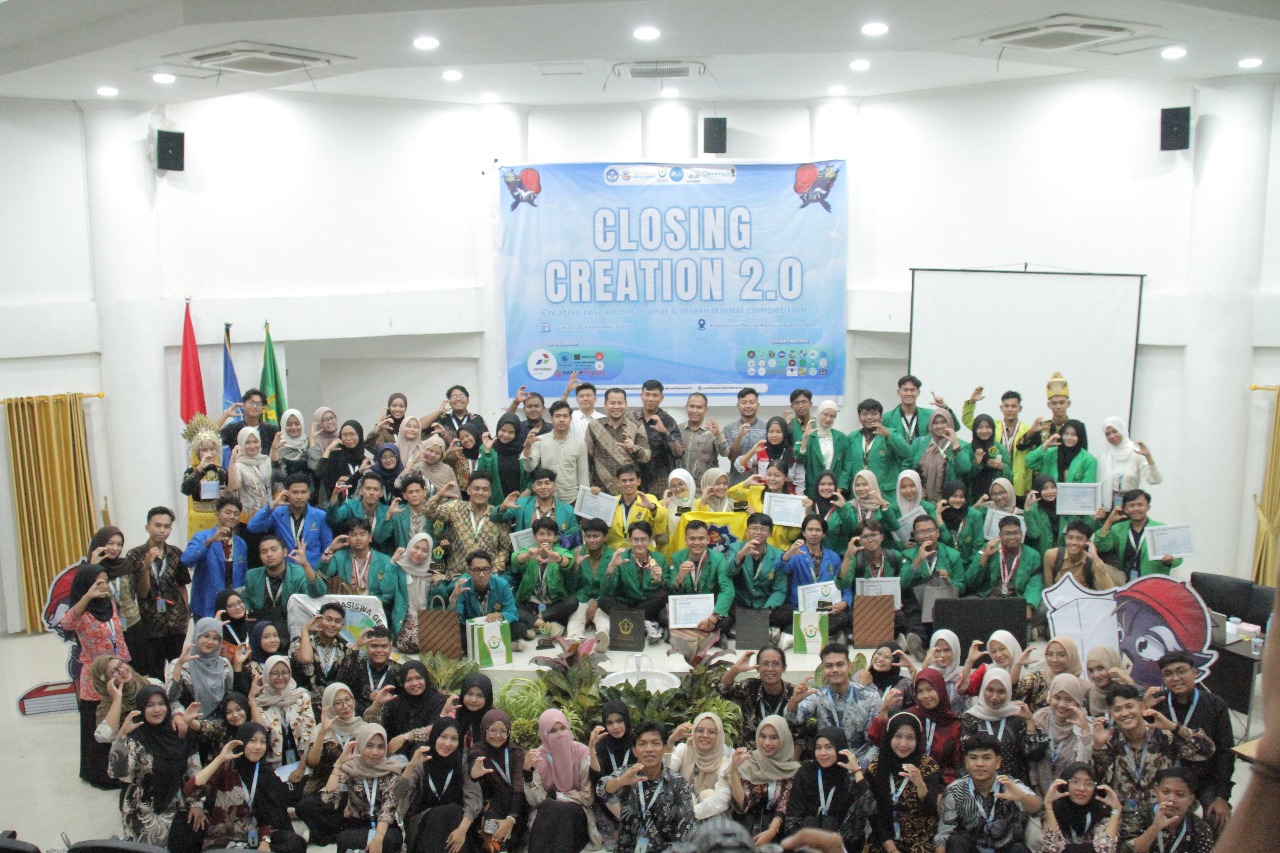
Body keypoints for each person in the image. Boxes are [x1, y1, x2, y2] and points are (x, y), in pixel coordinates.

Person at [1090, 684, 1214, 846]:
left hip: (1164, 815)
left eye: (1129, 706)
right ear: (1111, 713)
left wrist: (1174, 727)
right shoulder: (1109, 739)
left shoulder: (1164, 736)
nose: (1125, 713)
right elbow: (1099, 781)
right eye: (1118, 709)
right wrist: (1097, 748)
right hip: (1123, 820)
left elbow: (1206, 751)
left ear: (1142, 707)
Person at [176, 722, 307, 853]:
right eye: (252, 741)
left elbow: (272, 818)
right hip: (223, 841)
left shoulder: (265, 773)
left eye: (262, 742)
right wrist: (219, 759)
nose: (258, 747)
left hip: (255, 839)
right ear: (242, 742)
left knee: (294, 843)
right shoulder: (226, 767)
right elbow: (190, 790)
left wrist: (265, 841)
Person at [107, 684, 203, 847]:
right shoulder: (135, 735)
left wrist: (197, 804)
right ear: (141, 708)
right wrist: (122, 736)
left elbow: (194, 771)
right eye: (150, 705)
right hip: (142, 809)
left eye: (161, 704)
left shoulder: (180, 732)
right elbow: (117, 772)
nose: (157, 710)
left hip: (178, 805)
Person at [64, 562, 131, 789]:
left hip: (116, 669)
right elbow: (67, 623)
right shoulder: (82, 612)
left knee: (115, 718)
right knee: (97, 721)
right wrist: (87, 597)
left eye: (105, 581)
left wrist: (125, 666)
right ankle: (98, 773)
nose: (103, 586)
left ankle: (118, 768)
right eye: (97, 583)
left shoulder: (109, 605)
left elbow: (118, 638)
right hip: (94, 675)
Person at [1155, 651, 1234, 833]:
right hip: (1165, 778)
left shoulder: (1215, 705)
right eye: (1168, 674)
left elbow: (1226, 752)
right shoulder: (1157, 703)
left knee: (1218, 819)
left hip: (1204, 779)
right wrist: (1143, 705)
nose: (1175, 678)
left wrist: (1222, 796)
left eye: (1181, 671)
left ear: (1195, 672)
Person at [934, 732, 1043, 853]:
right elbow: (943, 834)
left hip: (1006, 848)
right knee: (956, 841)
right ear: (966, 762)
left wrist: (1022, 797)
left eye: (986, 758)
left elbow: (1038, 808)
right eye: (973, 758)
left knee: (1019, 850)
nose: (979, 764)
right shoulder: (955, 790)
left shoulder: (1009, 784)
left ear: (998, 762)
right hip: (973, 848)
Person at [598, 721, 695, 853]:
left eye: (655, 743)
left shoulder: (678, 783)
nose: (649, 749)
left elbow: (685, 828)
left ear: (665, 748)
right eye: (642, 744)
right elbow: (601, 788)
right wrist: (620, 782)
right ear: (634, 750)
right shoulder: (626, 774)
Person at [297, 683, 369, 846]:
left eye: (348, 700)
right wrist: (323, 732)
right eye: (338, 703)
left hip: (356, 786)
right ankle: (335, 834)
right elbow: (312, 762)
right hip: (327, 786)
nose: (345, 706)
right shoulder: (321, 729)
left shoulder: (364, 728)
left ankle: (340, 833)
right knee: (304, 807)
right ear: (329, 706)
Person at [787, 643, 881, 765]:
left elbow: (875, 741)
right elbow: (794, 719)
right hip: (825, 764)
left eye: (840, 664)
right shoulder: (817, 696)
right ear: (823, 669)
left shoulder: (870, 697)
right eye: (829, 666)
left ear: (850, 666)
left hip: (859, 763)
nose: (835, 670)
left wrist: (861, 769)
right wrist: (794, 701)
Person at [866, 668, 964, 785]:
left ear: (940, 689)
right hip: (904, 782)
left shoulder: (953, 724)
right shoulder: (910, 716)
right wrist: (883, 712)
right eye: (920, 691)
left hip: (940, 784)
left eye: (930, 689)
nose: (925, 695)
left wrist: (939, 785)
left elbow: (956, 764)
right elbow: (883, 741)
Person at [782, 727, 874, 850]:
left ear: (839, 748)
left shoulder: (849, 777)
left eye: (829, 747)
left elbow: (870, 809)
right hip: (807, 843)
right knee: (810, 821)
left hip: (841, 843)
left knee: (830, 823)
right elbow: (792, 818)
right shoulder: (806, 773)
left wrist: (857, 772)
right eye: (818, 748)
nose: (822, 753)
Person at [319, 723, 406, 853]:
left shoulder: (392, 770)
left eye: (380, 747)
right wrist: (339, 764)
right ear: (360, 745)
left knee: (390, 840)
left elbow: (388, 809)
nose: (375, 752)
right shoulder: (350, 768)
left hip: (385, 826)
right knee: (345, 840)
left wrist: (378, 838)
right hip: (357, 824)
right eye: (369, 746)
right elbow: (328, 798)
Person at [865, 712, 943, 853]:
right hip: (885, 843)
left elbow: (931, 810)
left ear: (918, 739)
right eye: (898, 736)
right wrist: (892, 850)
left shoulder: (928, 766)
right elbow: (875, 816)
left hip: (921, 841)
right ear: (889, 736)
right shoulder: (875, 768)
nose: (903, 744)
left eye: (910, 738)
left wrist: (920, 784)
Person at [527, 709, 599, 852]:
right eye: (553, 731)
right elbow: (536, 800)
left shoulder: (582, 752)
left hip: (576, 815)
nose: (559, 734)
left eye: (562, 728)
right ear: (543, 734)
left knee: (561, 810)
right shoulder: (537, 758)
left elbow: (587, 798)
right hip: (547, 815)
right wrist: (527, 774)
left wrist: (555, 796)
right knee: (551, 809)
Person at [319, 518, 408, 634]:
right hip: (346, 609)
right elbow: (322, 575)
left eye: (362, 534)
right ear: (347, 539)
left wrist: (371, 604)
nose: (358, 538)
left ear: (370, 537)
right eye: (353, 535)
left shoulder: (385, 560)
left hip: (374, 610)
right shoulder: (340, 557)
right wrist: (330, 550)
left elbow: (389, 594)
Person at [960, 669, 1047, 785]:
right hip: (981, 785)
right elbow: (966, 757)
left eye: (1001, 692)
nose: (995, 697)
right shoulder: (971, 717)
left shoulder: (1017, 716)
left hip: (1014, 786)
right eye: (990, 690)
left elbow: (1033, 754)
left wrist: (1030, 721)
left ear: (1009, 692)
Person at [729, 715, 800, 845]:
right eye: (763, 736)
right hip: (747, 827)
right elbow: (742, 806)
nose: (767, 743)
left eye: (774, 737)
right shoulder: (749, 762)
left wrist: (771, 831)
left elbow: (783, 805)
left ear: (784, 739)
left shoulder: (791, 770)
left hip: (776, 830)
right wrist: (733, 771)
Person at [424, 473, 512, 577]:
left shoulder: (498, 514)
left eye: (485, 489)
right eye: (476, 489)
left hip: (487, 577)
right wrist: (439, 495)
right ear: (468, 490)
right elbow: (429, 513)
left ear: (490, 492)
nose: (480, 493)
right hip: (457, 576)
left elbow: (504, 549)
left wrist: (495, 571)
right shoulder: (455, 508)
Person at [781, 515, 852, 639]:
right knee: (784, 613)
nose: (814, 533)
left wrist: (845, 602)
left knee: (843, 617)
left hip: (824, 606)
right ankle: (824, 633)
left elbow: (844, 583)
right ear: (803, 532)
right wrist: (788, 554)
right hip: (800, 605)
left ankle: (792, 633)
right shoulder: (795, 553)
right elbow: (780, 568)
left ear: (824, 534)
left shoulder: (833, 556)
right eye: (810, 529)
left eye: (818, 530)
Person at [600, 520, 669, 641]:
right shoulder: (620, 557)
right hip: (626, 602)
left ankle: (632, 621)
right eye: (635, 540)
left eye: (643, 539)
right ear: (629, 540)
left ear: (650, 540)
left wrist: (659, 580)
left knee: (663, 594)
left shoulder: (659, 558)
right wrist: (611, 568)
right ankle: (644, 623)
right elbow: (607, 590)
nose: (639, 544)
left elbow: (669, 586)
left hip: (649, 605)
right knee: (603, 600)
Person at [1092, 490, 1182, 582]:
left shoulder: (1160, 529)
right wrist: (1109, 521)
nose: (1136, 509)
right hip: (1126, 582)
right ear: (1125, 509)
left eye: (1140, 505)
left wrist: (1169, 561)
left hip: (1154, 582)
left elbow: (1178, 559)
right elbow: (1101, 546)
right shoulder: (1118, 529)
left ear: (1148, 507)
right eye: (1131, 505)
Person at [968, 516, 1043, 625]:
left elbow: (1035, 584)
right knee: (968, 604)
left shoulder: (1033, 555)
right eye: (1007, 534)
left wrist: (1028, 604)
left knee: (1043, 608)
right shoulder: (988, 548)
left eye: (1016, 533)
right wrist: (985, 557)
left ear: (1022, 534)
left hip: (1016, 600)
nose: (1012, 537)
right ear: (1000, 536)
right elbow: (970, 581)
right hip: (989, 598)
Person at [243, 535, 326, 633]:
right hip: (262, 627)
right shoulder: (252, 575)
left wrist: (305, 564)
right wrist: (246, 610)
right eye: (264, 552)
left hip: (292, 626)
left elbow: (318, 593)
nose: (269, 554)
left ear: (285, 552)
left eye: (274, 549)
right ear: (260, 557)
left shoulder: (299, 573)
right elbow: (245, 598)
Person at [469, 709, 526, 853]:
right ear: (484, 730)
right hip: (488, 809)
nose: (498, 736)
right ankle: (498, 848)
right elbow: (473, 768)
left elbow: (519, 787)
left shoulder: (516, 753)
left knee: (506, 793)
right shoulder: (478, 751)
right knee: (497, 801)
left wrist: (510, 819)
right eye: (493, 730)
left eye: (503, 731)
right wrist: (474, 774)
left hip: (515, 808)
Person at [727, 514, 791, 642]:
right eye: (754, 528)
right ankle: (766, 629)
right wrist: (741, 554)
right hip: (742, 602)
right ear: (747, 532)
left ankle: (742, 628)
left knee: (789, 611)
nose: (758, 532)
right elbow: (729, 572)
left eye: (763, 529)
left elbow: (780, 589)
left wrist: (767, 609)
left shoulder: (778, 555)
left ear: (770, 534)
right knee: (724, 603)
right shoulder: (736, 548)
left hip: (764, 604)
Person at [511, 516, 577, 639]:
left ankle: (535, 622)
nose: (545, 538)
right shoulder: (529, 551)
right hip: (530, 605)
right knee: (511, 605)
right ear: (535, 537)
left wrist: (558, 559)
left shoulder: (559, 552)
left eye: (549, 534)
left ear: (555, 537)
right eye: (541, 534)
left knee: (573, 601)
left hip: (552, 606)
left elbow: (569, 562)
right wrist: (528, 556)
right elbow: (516, 558)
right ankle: (546, 625)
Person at [183, 497, 249, 620]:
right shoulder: (202, 537)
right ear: (217, 514)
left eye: (236, 514)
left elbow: (243, 576)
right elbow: (186, 560)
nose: (232, 516)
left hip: (233, 607)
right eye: (228, 512)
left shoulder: (241, 543)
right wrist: (211, 541)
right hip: (206, 605)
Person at [248, 473, 334, 567]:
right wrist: (272, 505)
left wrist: (322, 569)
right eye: (295, 492)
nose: (299, 497)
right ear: (286, 493)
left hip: (312, 568)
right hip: (286, 569)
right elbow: (252, 527)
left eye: (303, 492)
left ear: (309, 493)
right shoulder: (278, 513)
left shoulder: (320, 516)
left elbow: (328, 546)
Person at [664, 519, 734, 633]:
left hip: (709, 607)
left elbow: (727, 590)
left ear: (708, 540)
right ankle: (709, 634)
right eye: (692, 538)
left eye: (701, 538)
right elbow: (673, 592)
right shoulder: (677, 558)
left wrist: (714, 617)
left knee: (726, 621)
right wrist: (680, 578)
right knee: (663, 616)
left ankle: (687, 631)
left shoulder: (718, 558)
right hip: (686, 608)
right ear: (685, 540)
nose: (697, 542)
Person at [718, 646, 796, 750]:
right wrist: (735, 670)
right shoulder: (749, 687)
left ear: (784, 667)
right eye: (765, 664)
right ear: (758, 668)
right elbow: (722, 689)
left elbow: (801, 734)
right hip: (751, 755)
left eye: (776, 664)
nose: (770, 669)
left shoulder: (793, 694)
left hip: (783, 755)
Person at [1029, 675, 1094, 797]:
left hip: (1072, 797)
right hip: (1040, 794)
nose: (1062, 704)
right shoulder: (1039, 719)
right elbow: (1031, 760)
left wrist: (1085, 732)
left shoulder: (1086, 725)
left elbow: (1083, 765)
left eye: (1069, 699)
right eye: (1057, 698)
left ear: (1078, 701)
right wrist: (1037, 792)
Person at [961, 388, 1032, 499]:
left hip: (1019, 484)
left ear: (1020, 408)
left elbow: (1029, 462)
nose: (1010, 409)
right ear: (1001, 408)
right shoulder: (991, 426)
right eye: (1006, 406)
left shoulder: (1028, 431)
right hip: (991, 485)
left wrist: (1028, 486)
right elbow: (968, 421)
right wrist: (971, 402)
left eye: (1013, 406)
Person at [1040, 762, 1122, 853]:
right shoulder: (1055, 809)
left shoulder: (1101, 811)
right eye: (1075, 782)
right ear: (1065, 784)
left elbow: (1105, 850)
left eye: (1089, 783)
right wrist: (1048, 805)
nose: (1082, 788)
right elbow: (1053, 849)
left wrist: (1116, 810)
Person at [666, 711, 734, 822]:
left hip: (711, 823)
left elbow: (723, 798)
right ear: (693, 732)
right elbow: (664, 775)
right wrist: (670, 742)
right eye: (700, 730)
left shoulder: (725, 761)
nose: (705, 735)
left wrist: (690, 812)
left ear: (719, 736)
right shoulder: (684, 750)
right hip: (678, 817)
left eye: (711, 732)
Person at [1129, 767, 1215, 853]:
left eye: (1180, 794)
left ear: (1190, 799)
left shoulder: (1200, 828)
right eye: (1165, 792)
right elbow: (1130, 850)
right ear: (1156, 792)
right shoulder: (1139, 814)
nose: (1171, 799)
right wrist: (1155, 827)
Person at [374, 660, 447, 759]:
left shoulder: (438, 701)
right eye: (408, 680)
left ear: (425, 678)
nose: (414, 683)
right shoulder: (395, 701)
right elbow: (377, 727)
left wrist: (406, 737)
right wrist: (377, 704)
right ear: (402, 682)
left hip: (428, 754)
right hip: (395, 755)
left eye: (419, 678)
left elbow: (436, 728)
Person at [255, 655, 315, 774]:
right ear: (266, 675)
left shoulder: (301, 697)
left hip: (303, 764)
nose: (280, 677)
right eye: (275, 673)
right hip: (272, 767)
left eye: (284, 672)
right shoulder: (260, 703)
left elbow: (309, 733)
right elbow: (260, 733)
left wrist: (301, 768)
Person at [491, 467, 580, 548]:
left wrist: (555, 540)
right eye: (539, 484)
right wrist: (503, 506)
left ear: (554, 486)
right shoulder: (522, 504)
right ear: (533, 487)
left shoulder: (568, 510)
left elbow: (574, 537)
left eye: (547, 483)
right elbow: (494, 517)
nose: (543, 487)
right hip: (527, 555)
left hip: (556, 555)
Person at [522, 400, 590, 504]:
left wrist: (584, 503)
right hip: (547, 500)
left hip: (571, 499)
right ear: (551, 419)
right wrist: (527, 447)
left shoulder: (579, 444)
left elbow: (583, 477)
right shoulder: (539, 441)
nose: (561, 420)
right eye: (558, 416)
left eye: (565, 416)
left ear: (570, 419)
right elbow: (529, 467)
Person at [451, 550, 520, 650]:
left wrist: (500, 615)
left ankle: (478, 646)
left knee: (520, 628)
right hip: (473, 629)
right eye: (476, 570)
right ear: (469, 572)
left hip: (494, 626)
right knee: (456, 636)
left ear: (491, 570)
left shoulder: (502, 584)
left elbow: (513, 612)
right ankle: (501, 643)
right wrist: (453, 598)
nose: (482, 574)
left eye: (486, 569)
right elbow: (455, 620)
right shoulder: (463, 586)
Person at [586, 388, 652, 492]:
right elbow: (586, 459)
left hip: (628, 489)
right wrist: (588, 485)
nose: (616, 407)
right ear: (605, 404)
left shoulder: (637, 426)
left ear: (626, 404)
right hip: (600, 490)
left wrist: (634, 449)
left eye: (620, 403)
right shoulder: (594, 426)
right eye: (612, 403)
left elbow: (647, 456)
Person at [630, 379, 685, 495]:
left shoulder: (667, 420)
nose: (650, 399)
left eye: (655, 395)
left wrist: (664, 432)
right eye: (647, 394)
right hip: (634, 479)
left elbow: (679, 452)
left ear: (661, 398)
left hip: (660, 481)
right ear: (641, 395)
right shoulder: (631, 418)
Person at [290, 601, 352, 704]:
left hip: (335, 705)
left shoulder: (345, 648)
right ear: (318, 619)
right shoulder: (300, 641)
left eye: (337, 621)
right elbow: (305, 659)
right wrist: (305, 629)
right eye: (329, 619)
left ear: (342, 625)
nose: (333, 624)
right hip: (304, 703)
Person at [169, 618, 237, 710]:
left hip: (220, 716)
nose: (210, 642)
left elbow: (230, 695)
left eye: (216, 638)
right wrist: (179, 664)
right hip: (187, 716)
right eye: (206, 636)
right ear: (196, 636)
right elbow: (171, 698)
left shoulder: (224, 664)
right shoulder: (180, 664)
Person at [332, 627, 403, 714]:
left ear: (391, 648)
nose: (379, 650)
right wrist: (357, 645)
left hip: (389, 717)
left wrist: (386, 698)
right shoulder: (358, 666)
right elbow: (340, 683)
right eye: (374, 646)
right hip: (358, 717)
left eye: (384, 646)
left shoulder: (398, 670)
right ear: (367, 647)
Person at [229, 427, 278, 555]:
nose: (252, 446)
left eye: (255, 441)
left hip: (269, 517)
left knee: (271, 554)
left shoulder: (265, 460)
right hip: (249, 520)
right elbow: (234, 486)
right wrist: (232, 461)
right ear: (241, 444)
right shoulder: (238, 465)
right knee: (253, 556)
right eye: (248, 442)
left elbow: (276, 482)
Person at [851, 399, 912, 501]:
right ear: (859, 417)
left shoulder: (890, 433)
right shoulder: (852, 438)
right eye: (865, 414)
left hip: (885, 494)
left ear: (881, 416)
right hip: (860, 494)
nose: (869, 417)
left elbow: (907, 453)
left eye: (874, 414)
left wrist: (888, 435)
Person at [566, 517, 614, 645]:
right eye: (588, 536)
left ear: (605, 537)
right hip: (582, 597)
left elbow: (614, 587)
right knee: (576, 617)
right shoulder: (576, 553)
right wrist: (575, 567)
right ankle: (574, 639)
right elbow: (569, 587)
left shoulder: (612, 556)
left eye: (596, 536)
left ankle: (602, 637)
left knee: (603, 617)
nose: (592, 540)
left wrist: (598, 602)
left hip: (603, 598)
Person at [910, 410, 972, 504]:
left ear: (950, 423)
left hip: (950, 502)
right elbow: (909, 466)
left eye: (943, 422)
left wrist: (955, 444)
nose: (939, 426)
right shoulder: (919, 443)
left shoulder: (962, 445)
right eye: (935, 423)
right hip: (921, 501)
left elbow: (965, 469)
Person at [1098, 418, 1162, 509]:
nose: (1112, 436)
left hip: (1132, 504)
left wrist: (1148, 456)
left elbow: (1155, 480)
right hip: (1108, 504)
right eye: (1107, 434)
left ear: (1122, 430)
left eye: (1115, 431)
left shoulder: (1136, 451)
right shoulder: (1104, 455)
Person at [795, 400, 849, 500]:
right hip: (812, 490)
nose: (828, 419)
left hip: (834, 490)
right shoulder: (808, 436)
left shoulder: (841, 438)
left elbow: (847, 465)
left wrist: (841, 487)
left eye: (832, 416)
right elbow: (799, 459)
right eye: (825, 414)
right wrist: (805, 438)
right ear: (819, 414)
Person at [182, 426, 229, 536]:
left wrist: (227, 493)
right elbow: (185, 490)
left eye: (212, 449)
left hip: (217, 517)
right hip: (198, 517)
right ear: (197, 452)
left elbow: (228, 497)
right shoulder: (191, 471)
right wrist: (200, 468)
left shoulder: (221, 472)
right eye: (204, 450)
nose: (209, 453)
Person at [679, 391, 727, 488]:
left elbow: (725, 453)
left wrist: (717, 435)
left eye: (699, 407)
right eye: (691, 406)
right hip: (682, 487)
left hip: (707, 488)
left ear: (706, 409)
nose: (695, 410)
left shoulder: (713, 430)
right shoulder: (678, 429)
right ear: (686, 407)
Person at [884, 375, 951, 445]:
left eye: (912, 390)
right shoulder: (887, 418)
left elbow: (954, 427)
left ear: (918, 392)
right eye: (905, 390)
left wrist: (945, 407)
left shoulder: (930, 415)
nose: (909, 393)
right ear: (898, 392)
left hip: (924, 452)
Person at [319, 420, 373, 505]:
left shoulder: (364, 461)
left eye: (352, 434)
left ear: (359, 435)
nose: (348, 438)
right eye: (344, 435)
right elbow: (321, 475)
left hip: (361, 507)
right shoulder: (335, 456)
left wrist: (353, 477)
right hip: (339, 506)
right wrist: (328, 450)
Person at [1016, 372, 1073, 454]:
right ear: (1049, 405)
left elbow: (1083, 455)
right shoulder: (1042, 427)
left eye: (1062, 402)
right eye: (1054, 403)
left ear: (1068, 403)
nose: (1058, 407)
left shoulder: (1076, 427)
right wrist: (1031, 432)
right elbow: (1019, 446)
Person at [1026, 420, 1097, 484]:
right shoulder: (1051, 453)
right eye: (1066, 434)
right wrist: (1045, 445)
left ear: (1080, 436)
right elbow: (1029, 462)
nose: (1069, 438)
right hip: (1050, 494)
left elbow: (1088, 490)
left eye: (1074, 435)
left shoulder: (1088, 460)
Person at [378, 475, 435, 553]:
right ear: (405, 495)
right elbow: (379, 538)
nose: (414, 495)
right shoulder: (398, 513)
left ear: (424, 493)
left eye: (417, 491)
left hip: (428, 558)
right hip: (404, 558)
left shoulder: (433, 512)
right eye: (410, 492)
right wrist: (389, 514)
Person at [735, 416, 798, 484]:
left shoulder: (792, 452)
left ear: (785, 433)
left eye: (778, 432)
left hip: (786, 490)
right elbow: (739, 465)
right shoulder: (761, 449)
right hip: (763, 489)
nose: (774, 435)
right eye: (771, 432)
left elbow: (799, 481)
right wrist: (752, 451)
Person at [726, 387, 768, 486]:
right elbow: (732, 457)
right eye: (744, 402)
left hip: (761, 483)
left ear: (758, 405)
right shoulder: (729, 428)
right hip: (737, 483)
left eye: (752, 402)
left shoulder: (767, 427)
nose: (748, 406)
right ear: (738, 406)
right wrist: (739, 437)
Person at [936, 481, 985, 565]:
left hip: (968, 563)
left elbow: (978, 545)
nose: (958, 500)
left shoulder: (974, 515)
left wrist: (971, 566)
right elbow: (946, 539)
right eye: (954, 496)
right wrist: (938, 516)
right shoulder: (940, 515)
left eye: (961, 496)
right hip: (947, 563)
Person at [421, 384, 488, 444]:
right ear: (449, 401)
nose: (458, 399)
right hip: (448, 454)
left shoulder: (477, 419)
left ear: (468, 400)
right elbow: (420, 426)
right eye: (454, 396)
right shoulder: (442, 419)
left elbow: (487, 441)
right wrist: (439, 411)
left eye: (461, 396)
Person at [1083, 646, 1131, 717]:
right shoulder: (1089, 694)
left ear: (1113, 665)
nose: (1096, 675)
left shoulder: (1129, 689)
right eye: (1091, 670)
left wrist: (1130, 685)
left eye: (1100, 668)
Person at [891, 470, 936, 547]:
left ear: (918, 485)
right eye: (903, 487)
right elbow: (888, 537)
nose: (908, 490)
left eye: (912, 486)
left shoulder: (928, 508)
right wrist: (902, 545)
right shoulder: (893, 509)